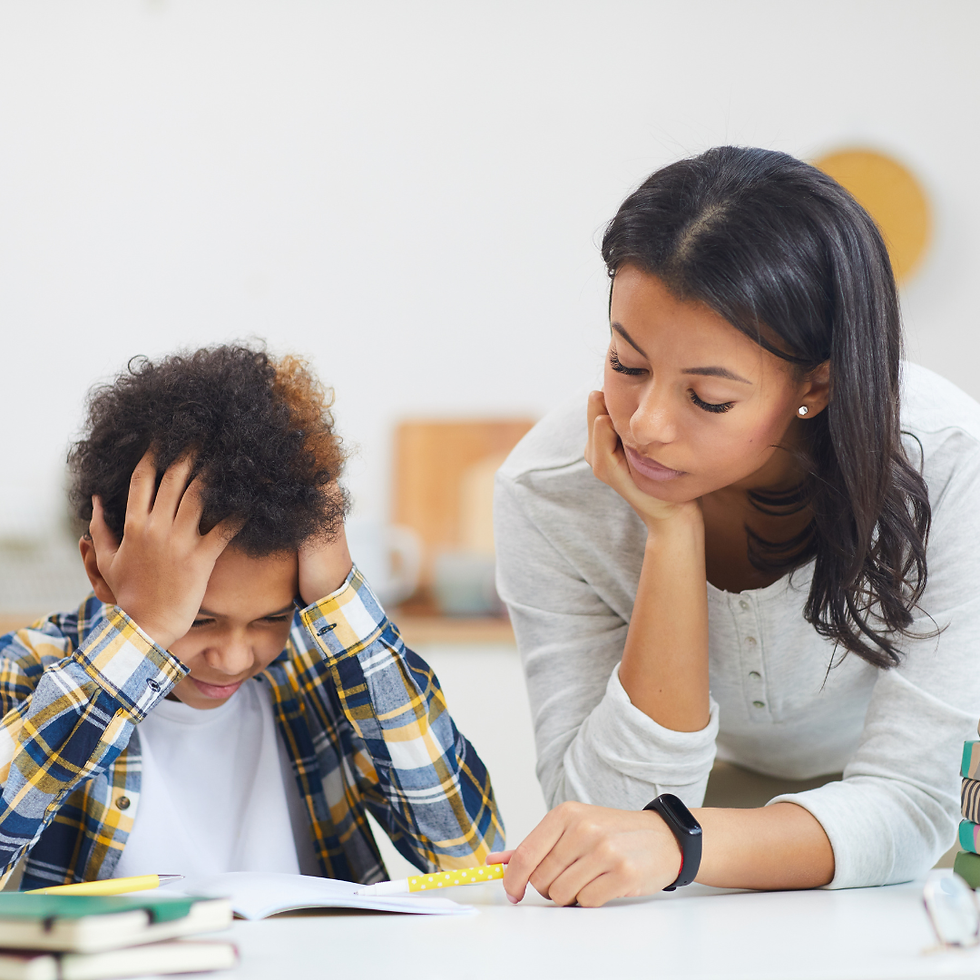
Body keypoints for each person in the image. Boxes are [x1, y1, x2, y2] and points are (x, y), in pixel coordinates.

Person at [490, 146, 980, 907]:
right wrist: (672, 541)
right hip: (711, 832)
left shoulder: (949, 463)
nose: (646, 426)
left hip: (912, 853)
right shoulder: (550, 492)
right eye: (625, 364)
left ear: (817, 383)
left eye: (709, 399)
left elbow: (917, 803)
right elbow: (614, 813)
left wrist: (682, 842)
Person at [0, 345, 503, 889]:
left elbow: (470, 855)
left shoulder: (319, 677)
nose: (235, 658)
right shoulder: (28, 670)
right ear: (100, 571)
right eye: (196, 621)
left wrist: (340, 597)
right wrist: (140, 635)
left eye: (271, 619)